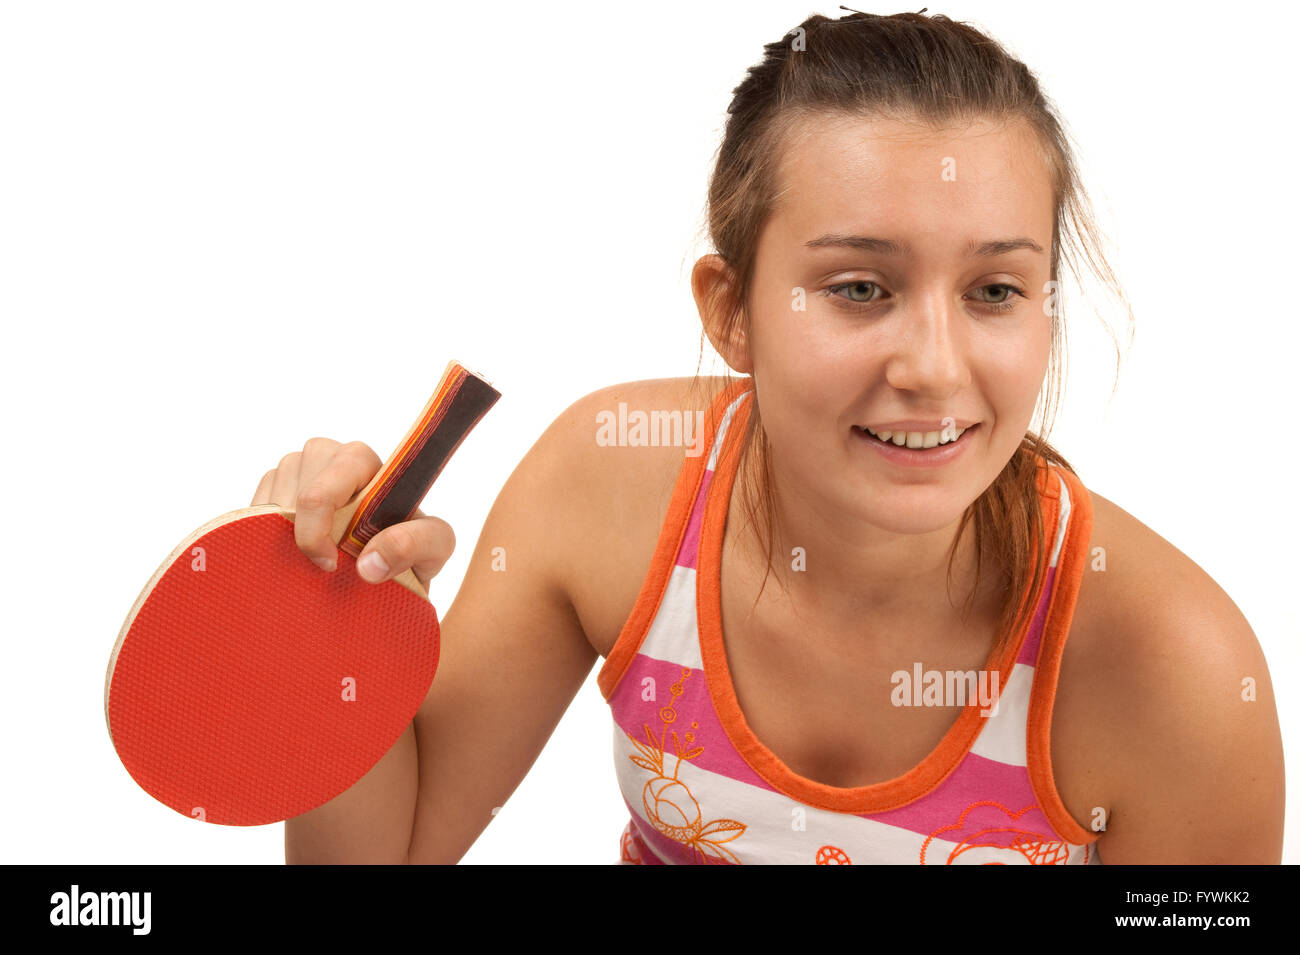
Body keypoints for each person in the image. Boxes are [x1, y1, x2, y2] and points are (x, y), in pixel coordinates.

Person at [273, 10, 1284, 864]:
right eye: (858, 287)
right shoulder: (610, 485)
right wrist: (324, 638)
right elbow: (390, 854)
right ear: (731, 311)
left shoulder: (1177, 671)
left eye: (994, 290)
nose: (933, 366)